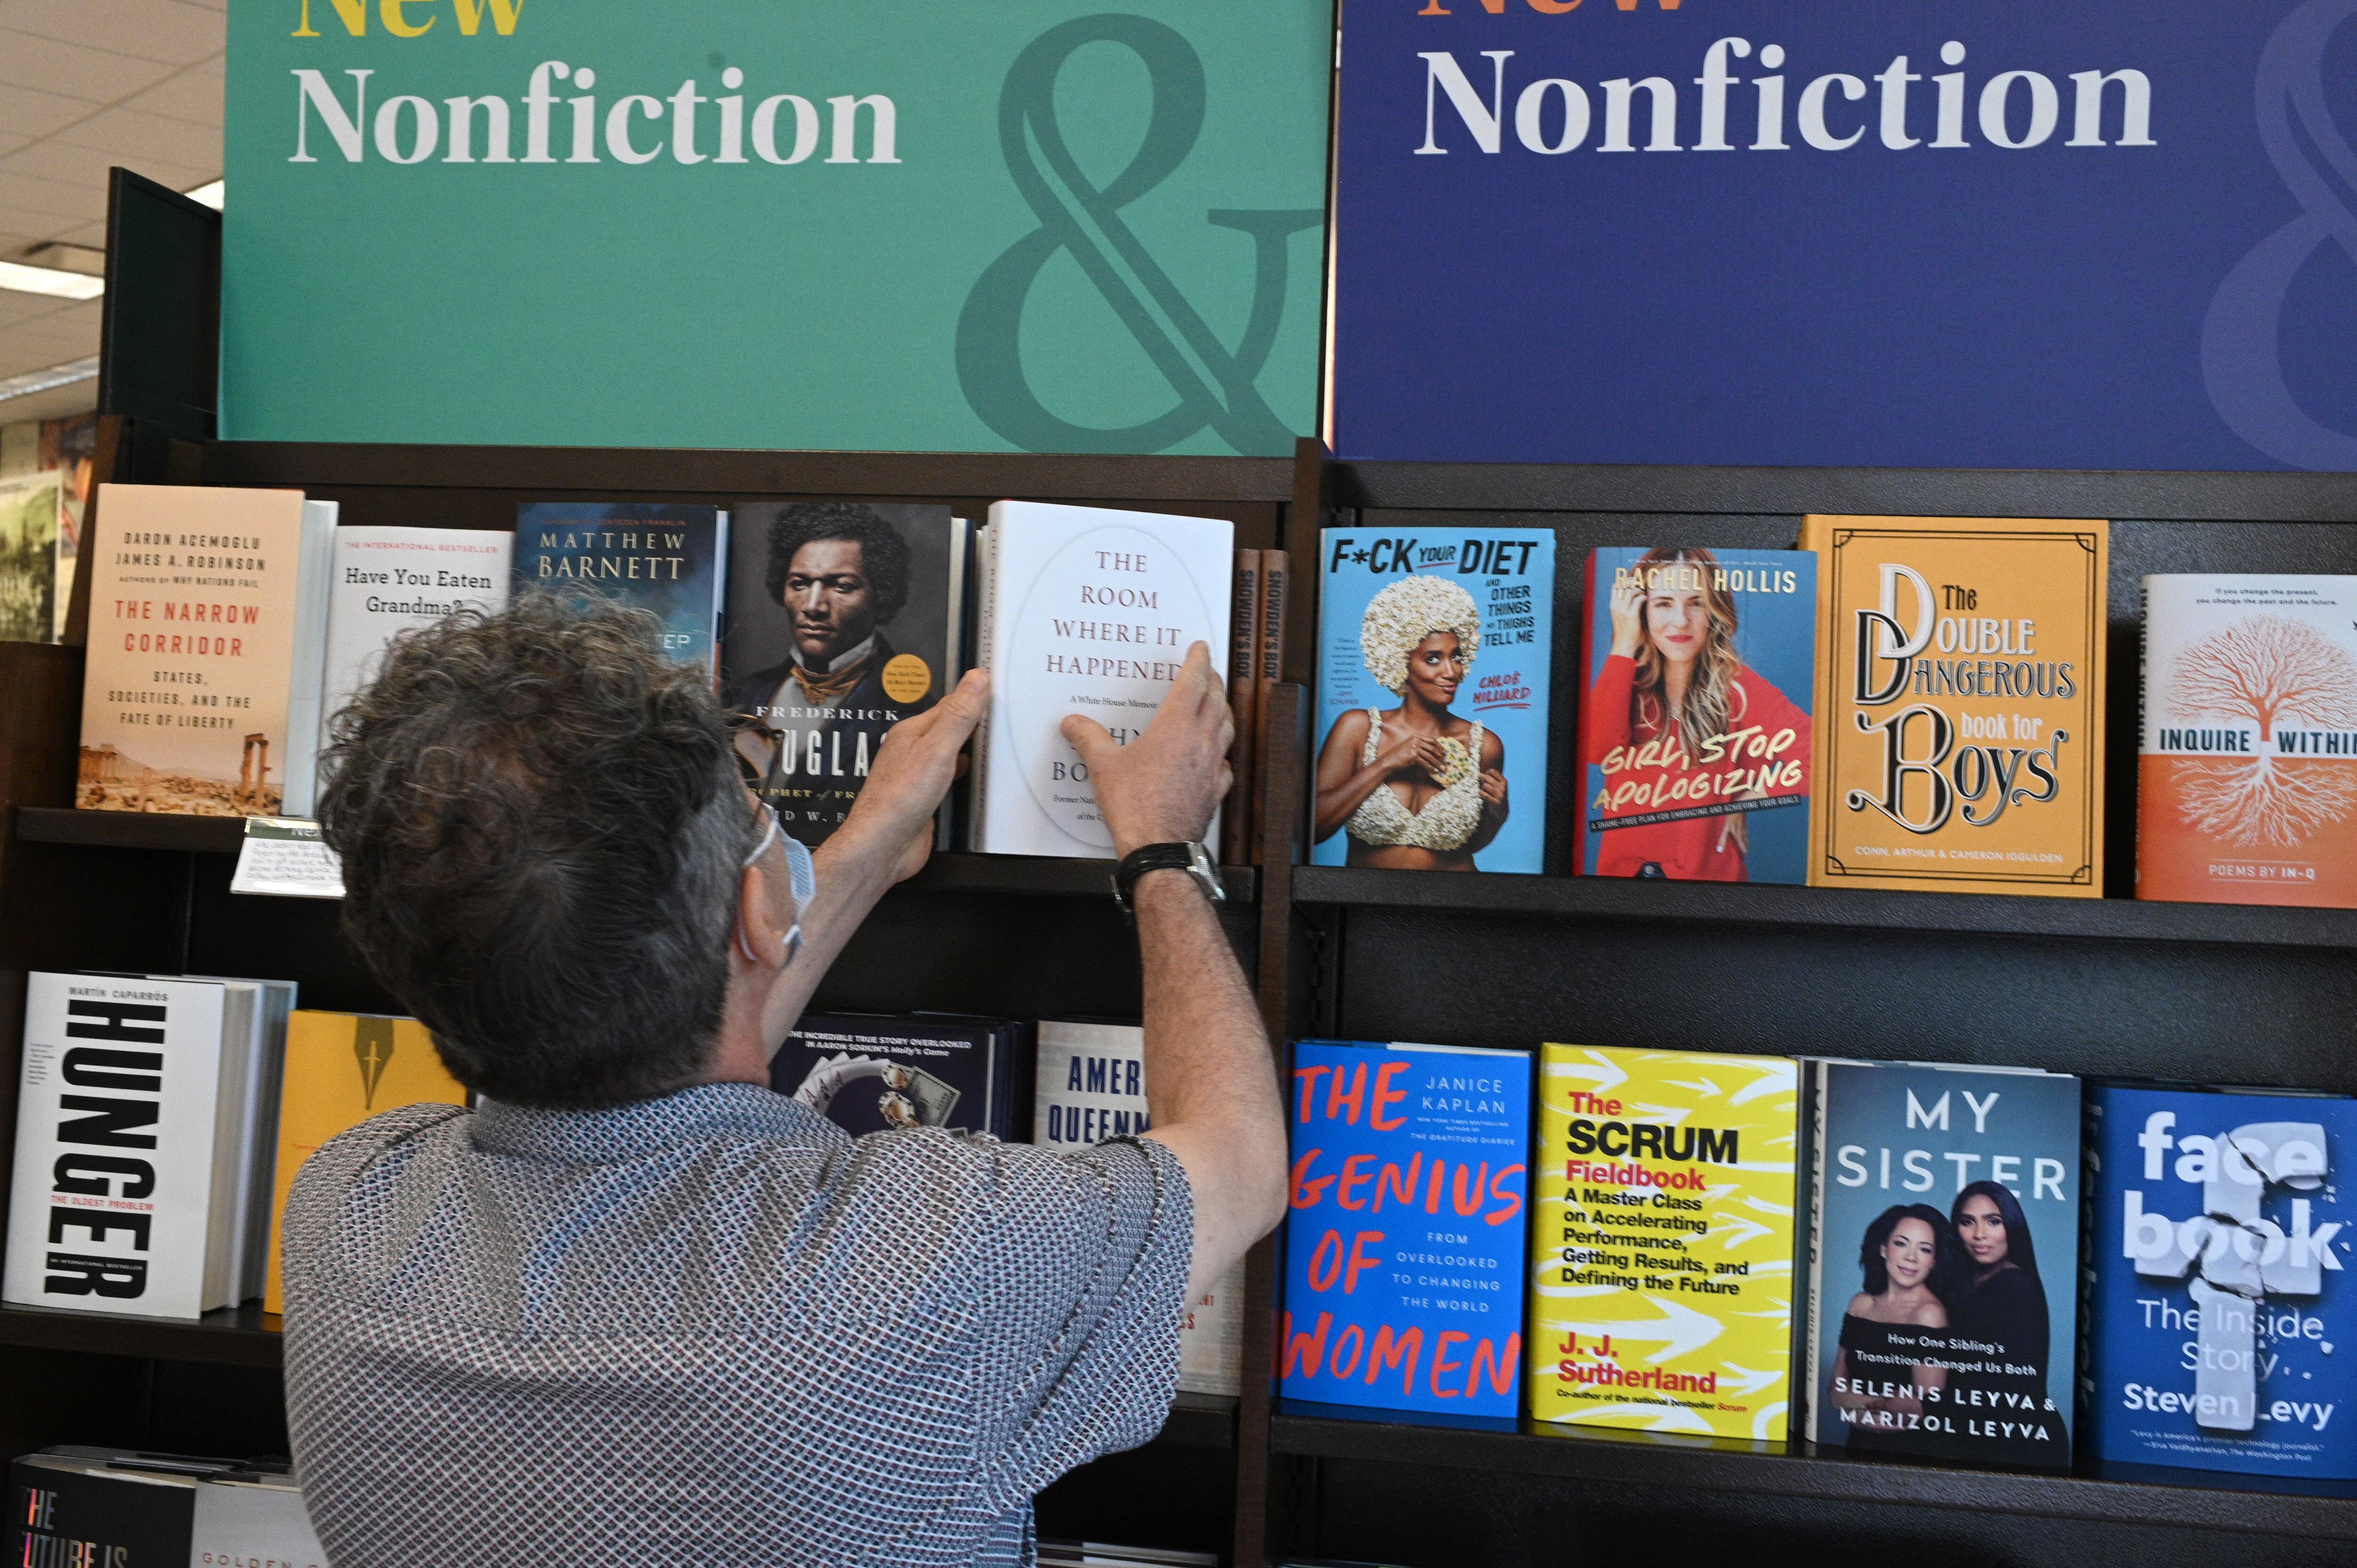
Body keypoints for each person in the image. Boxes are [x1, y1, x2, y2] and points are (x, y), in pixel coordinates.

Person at [286, 594, 1285, 1568]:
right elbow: (1237, 1158)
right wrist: (1163, 848)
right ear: (756, 916)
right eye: (758, 806)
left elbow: (651, 1031)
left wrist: (872, 834)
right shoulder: (930, 1257)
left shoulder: (346, 1210)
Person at [1582, 546, 1811, 880]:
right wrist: (1623, 642)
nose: (1680, 621)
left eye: (1696, 603)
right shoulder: (1623, 677)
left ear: (1714, 612)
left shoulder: (1739, 688)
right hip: (1620, 882)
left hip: (1708, 884)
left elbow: (1823, 759)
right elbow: (1599, 750)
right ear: (1640, 609)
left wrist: (1742, 799)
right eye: (1663, 604)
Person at [726, 503, 934, 843]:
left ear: (880, 595)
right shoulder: (744, 694)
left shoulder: (915, 716)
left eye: (841, 586)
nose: (813, 606)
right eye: (800, 583)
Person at [1312, 574, 1508, 870]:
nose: (1451, 672)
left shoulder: (1483, 744)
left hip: (1456, 903)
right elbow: (1313, 828)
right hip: (1365, 904)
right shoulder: (1359, 729)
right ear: (1401, 661)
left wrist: (1498, 814)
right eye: (1433, 659)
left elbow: (1472, 842)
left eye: (1456, 657)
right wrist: (1389, 763)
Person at [1945, 1180, 2068, 1456]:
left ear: (2011, 1227)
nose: (1979, 1234)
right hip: (1980, 1432)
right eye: (1967, 1222)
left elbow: (2003, 1383)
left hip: (2019, 1444)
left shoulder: (2016, 1286)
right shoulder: (1961, 1284)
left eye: (1993, 1222)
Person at [1826, 1203, 1957, 1453]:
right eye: (1901, 1243)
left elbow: (1923, 1409)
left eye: (1925, 1249)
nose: (1911, 1257)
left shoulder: (1930, 1314)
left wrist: (1855, 1403)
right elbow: (1835, 1391)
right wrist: (1886, 1404)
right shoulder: (1860, 1305)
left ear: (1934, 1261)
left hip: (1910, 1456)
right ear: (1884, 1249)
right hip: (1855, 1448)